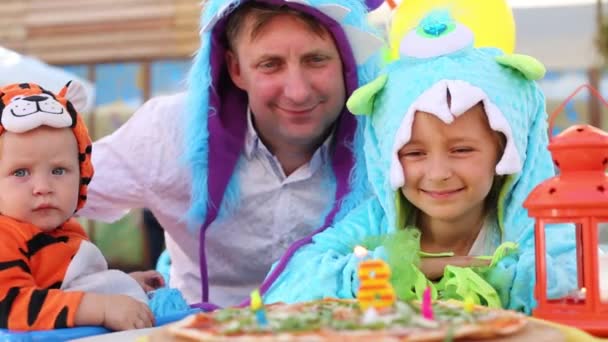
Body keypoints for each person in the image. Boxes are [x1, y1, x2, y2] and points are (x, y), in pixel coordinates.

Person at [263, 11, 576, 314]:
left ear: (506, 151)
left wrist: (490, 276)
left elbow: (574, 276)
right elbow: (286, 285)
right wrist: (398, 268)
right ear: (385, 155)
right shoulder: (377, 220)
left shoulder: (532, 226)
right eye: (413, 153)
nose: (438, 174)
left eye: (462, 150)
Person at [77, 0, 384, 308]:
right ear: (235, 68)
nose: (298, 91)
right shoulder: (168, 132)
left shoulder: (387, 138)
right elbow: (45, 193)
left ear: (346, 59)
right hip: (193, 330)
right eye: (270, 64)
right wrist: (94, 287)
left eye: (316, 60)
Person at [0, 82, 168, 331]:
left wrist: (122, 285)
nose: (43, 187)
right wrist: (101, 307)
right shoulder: (5, 236)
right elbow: (10, 306)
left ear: (82, 173)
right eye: (21, 172)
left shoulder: (66, 229)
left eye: (59, 170)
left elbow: (68, 288)